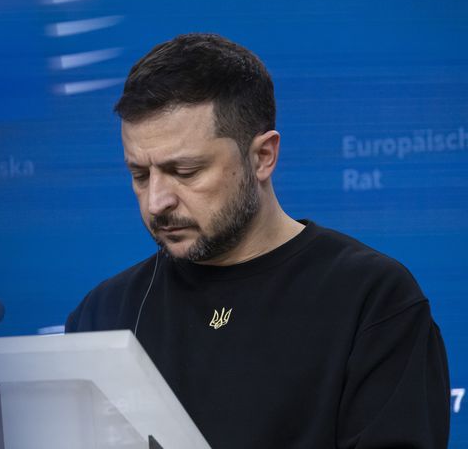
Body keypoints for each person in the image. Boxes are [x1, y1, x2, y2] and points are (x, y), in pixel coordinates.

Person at [66, 33, 450, 448]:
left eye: (186, 171)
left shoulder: (372, 299)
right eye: (140, 175)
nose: (157, 201)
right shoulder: (102, 315)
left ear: (263, 156)